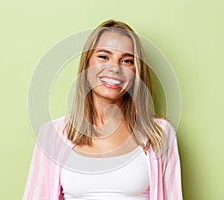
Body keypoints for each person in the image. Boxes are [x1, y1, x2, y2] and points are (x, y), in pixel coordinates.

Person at [23, 19, 183, 200]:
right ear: (87, 63)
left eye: (127, 60)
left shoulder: (159, 134)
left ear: (136, 71)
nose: (114, 68)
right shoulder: (52, 135)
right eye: (103, 56)